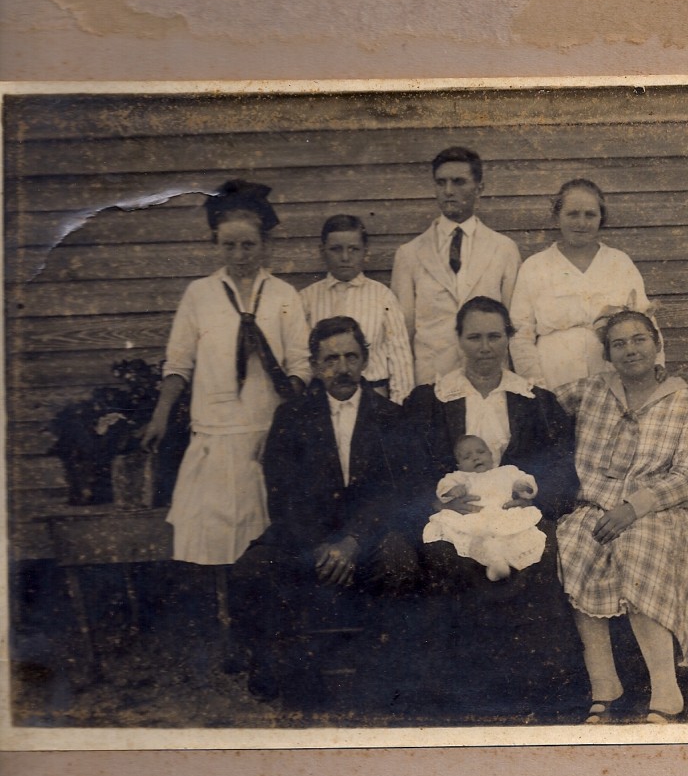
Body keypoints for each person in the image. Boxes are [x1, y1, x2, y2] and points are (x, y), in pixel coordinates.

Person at [405, 296, 585, 719]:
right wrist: (434, 502)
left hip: (518, 514)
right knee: (447, 557)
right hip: (456, 518)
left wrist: (533, 495)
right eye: (474, 337)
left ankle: (534, 685)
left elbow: (561, 466)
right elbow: (407, 468)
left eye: (494, 336)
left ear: (508, 338)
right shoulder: (430, 400)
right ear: (459, 340)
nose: (485, 347)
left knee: (539, 554)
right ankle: (465, 689)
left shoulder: (535, 400)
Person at [141, 180, 311, 627]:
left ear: (265, 244)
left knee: (264, 534)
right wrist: (160, 416)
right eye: (230, 245)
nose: (240, 254)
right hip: (215, 434)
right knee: (217, 534)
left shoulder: (284, 296)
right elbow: (178, 363)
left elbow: (300, 365)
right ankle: (225, 625)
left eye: (249, 244)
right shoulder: (199, 296)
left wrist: (286, 427)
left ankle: (266, 623)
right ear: (216, 244)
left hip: (265, 435)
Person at [229, 316, 420, 708]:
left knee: (401, 560)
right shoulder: (291, 418)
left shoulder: (391, 417)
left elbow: (395, 494)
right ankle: (290, 675)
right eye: (331, 359)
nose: (343, 368)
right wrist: (321, 546)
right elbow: (282, 497)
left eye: (351, 356)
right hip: (307, 540)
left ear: (366, 360)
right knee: (252, 569)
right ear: (315, 366)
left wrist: (352, 541)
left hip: (368, 540)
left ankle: (385, 680)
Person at [556, 310, 688, 724]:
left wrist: (635, 507)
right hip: (599, 505)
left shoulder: (684, 400)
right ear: (607, 354)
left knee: (637, 545)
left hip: (664, 510)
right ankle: (604, 683)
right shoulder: (592, 390)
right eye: (619, 344)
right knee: (575, 541)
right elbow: (534, 406)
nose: (631, 350)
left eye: (639, 339)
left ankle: (666, 689)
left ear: (657, 342)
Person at [509, 178, 662, 389]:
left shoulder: (619, 262)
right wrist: (536, 384)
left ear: (601, 218)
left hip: (613, 378)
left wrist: (655, 368)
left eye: (590, 214)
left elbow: (646, 323)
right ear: (557, 217)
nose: (581, 223)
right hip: (554, 379)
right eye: (572, 214)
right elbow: (520, 335)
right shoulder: (534, 267)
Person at [391, 146, 522, 385]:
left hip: (488, 380)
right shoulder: (409, 254)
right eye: (441, 183)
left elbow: (513, 326)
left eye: (459, 182)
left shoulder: (503, 249)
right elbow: (402, 334)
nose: (448, 191)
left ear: (479, 188)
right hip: (432, 381)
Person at [300, 214, 414, 404]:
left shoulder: (382, 296)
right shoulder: (306, 299)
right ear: (322, 251)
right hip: (322, 400)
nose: (345, 257)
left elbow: (400, 360)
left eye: (353, 249)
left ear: (365, 252)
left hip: (373, 398)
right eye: (336, 249)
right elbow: (300, 357)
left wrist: (398, 409)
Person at [423, 434, 546, 582]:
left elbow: (526, 480)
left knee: (514, 536)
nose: (475, 458)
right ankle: (494, 562)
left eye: (480, 452)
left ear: (491, 455)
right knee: (478, 539)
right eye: (467, 457)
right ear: (459, 465)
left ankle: (505, 561)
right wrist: (452, 491)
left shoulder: (507, 471)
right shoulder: (460, 477)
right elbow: (443, 487)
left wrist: (523, 486)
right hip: (475, 517)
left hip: (502, 514)